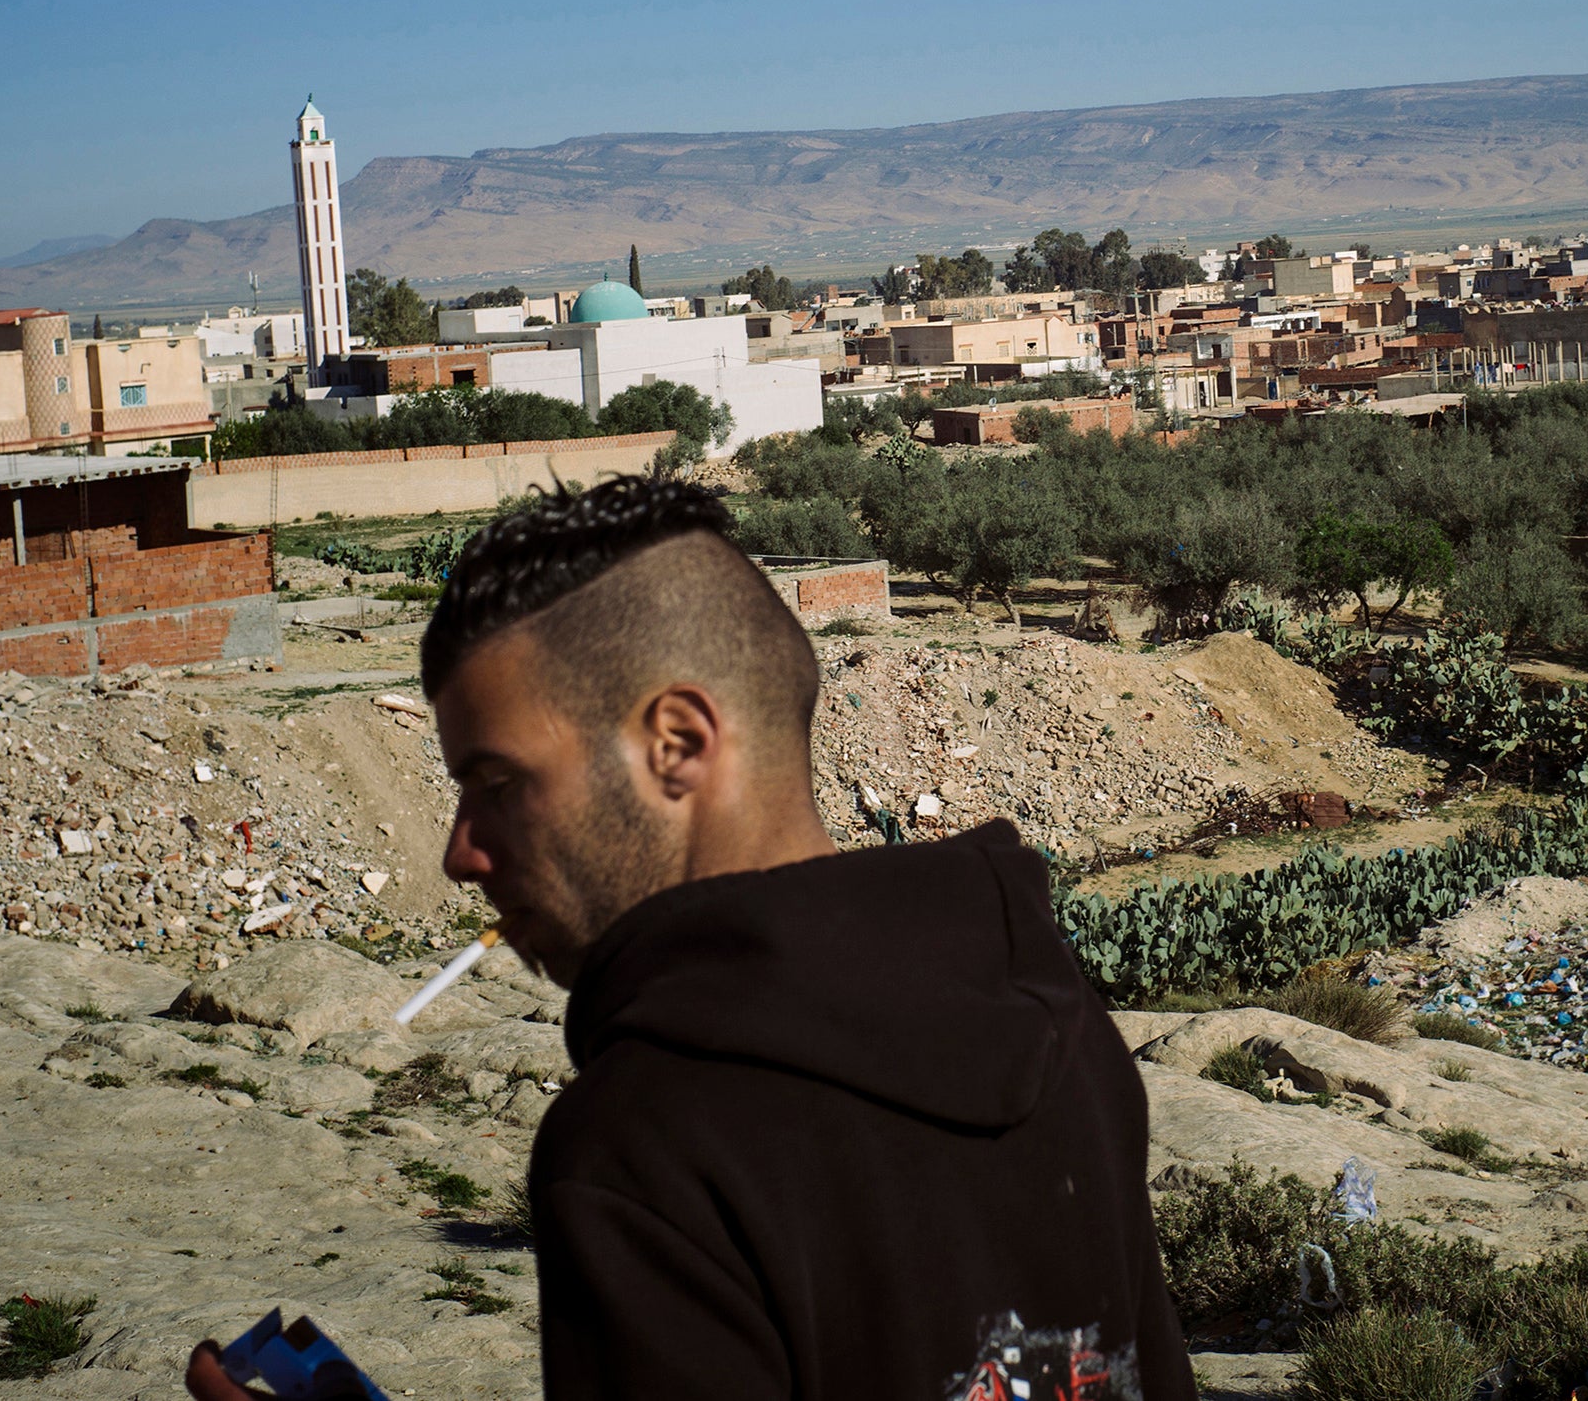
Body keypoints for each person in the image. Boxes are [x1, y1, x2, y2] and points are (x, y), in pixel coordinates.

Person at [186, 476, 1190, 1401]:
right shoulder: (1051, 1011)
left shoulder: (642, 1146)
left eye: (496, 786)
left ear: (677, 745)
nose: (460, 852)